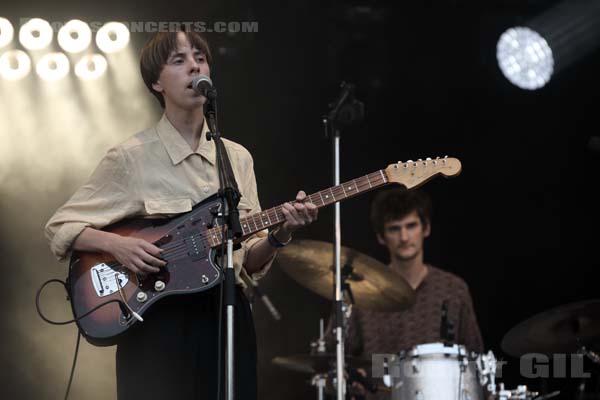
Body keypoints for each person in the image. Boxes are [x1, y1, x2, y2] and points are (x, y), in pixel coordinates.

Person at [45, 29, 317, 400]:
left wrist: (279, 234)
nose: (194, 66)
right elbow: (61, 225)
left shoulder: (236, 158)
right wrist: (117, 246)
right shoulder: (130, 157)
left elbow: (249, 261)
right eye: (179, 60)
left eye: (200, 59)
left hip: (226, 316)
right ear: (156, 83)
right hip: (158, 324)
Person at [334, 188, 483, 399]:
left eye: (411, 226)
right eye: (394, 229)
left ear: (426, 228)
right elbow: (332, 359)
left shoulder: (453, 288)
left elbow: (476, 358)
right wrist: (351, 377)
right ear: (381, 237)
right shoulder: (360, 292)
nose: (404, 237)